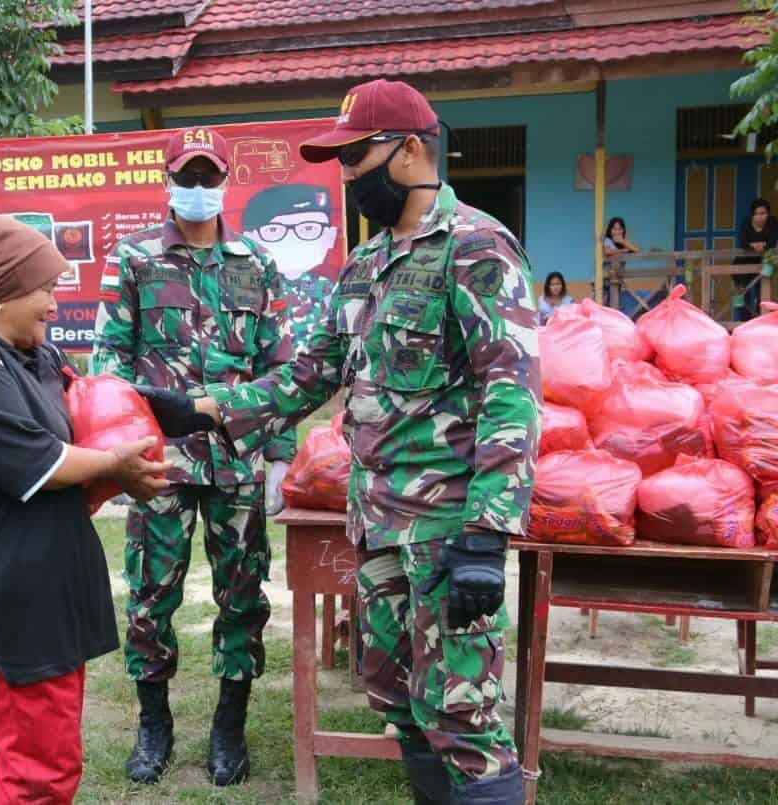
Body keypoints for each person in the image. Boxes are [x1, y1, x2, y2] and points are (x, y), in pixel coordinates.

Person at [189, 79, 541, 804]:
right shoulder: (367, 263)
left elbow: (512, 387)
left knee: (463, 715)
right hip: (378, 526)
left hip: (447, 530)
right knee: (400, 699)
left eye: (358, 156)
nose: (348, 175)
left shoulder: (476, 247)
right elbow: (309, 374)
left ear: (411, 149)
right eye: (342, 161)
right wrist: (201, 408)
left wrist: (487, 530)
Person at [0, 217, 191, 804]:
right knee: (37, 771)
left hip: (42, 588)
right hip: (3, 595)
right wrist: (116, 466)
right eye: (45, 286)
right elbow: (40, 462)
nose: (53, 301)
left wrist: (187, 410)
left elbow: (92, 401)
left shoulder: (28, 354)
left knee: (49, 760)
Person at [91, 127, 293, 786]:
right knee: (151, 597)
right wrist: (118, 454)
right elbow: (109, 365)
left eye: (210, 177)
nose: (200, 189)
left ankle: (229, 724)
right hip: (160, 463)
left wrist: (281, 456)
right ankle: (155, 723)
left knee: (242, 596)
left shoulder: (255, 265)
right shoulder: (135, 259)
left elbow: (281, 367)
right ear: (169, 179)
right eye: (189, 176)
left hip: (237, 463)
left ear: (226, 182)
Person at [241, 183, 339, 513]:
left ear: (329, 236)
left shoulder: (336, 292)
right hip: (198, 437)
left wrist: (282, 457)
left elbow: (282, 369)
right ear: (255, 236)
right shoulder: (241, 276)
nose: (292, 238)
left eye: (309, 228)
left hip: (244, 451)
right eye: (274, 230)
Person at [736, 198, 777, 320]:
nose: (760, 217)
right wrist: (753, 246)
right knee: (743, 294)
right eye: (757, 214)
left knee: (762, 294)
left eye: (763, 213)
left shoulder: (773, 222)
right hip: (744, 263)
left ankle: (761, 321)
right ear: (752, 215)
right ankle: (744, 323)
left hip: (765, 263)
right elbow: (743, 242)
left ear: (768, 214)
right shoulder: (746, 223)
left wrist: (763, 245)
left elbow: (773, 241)